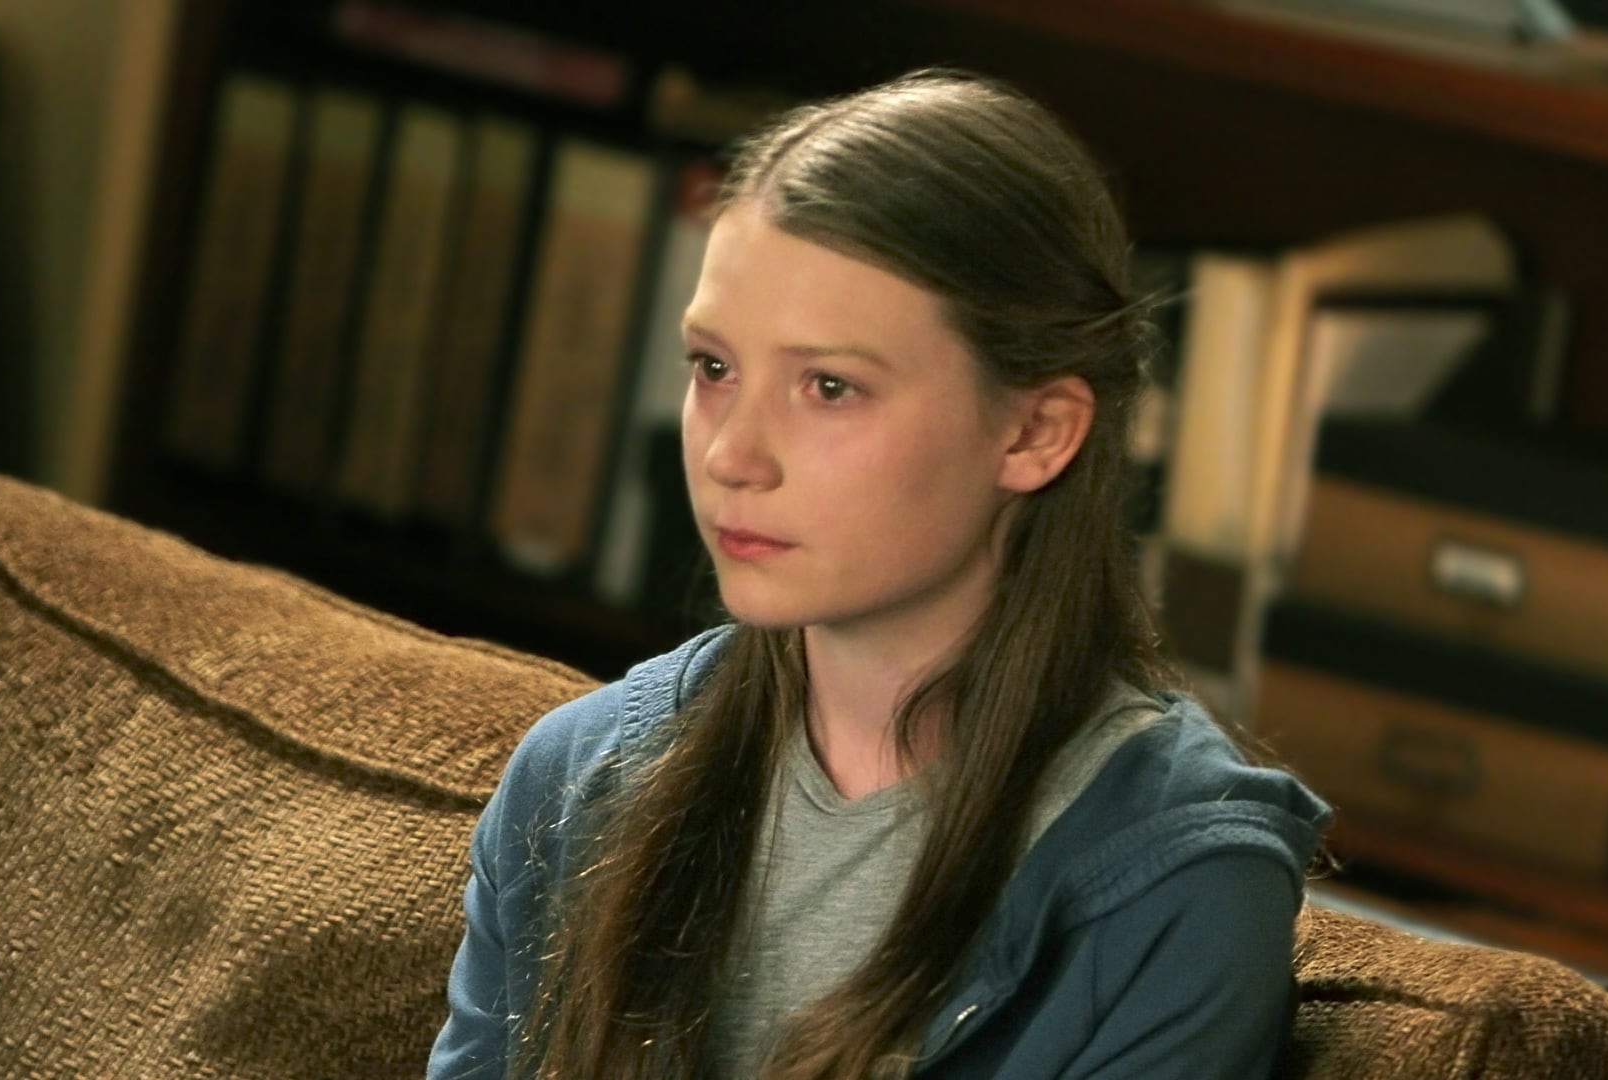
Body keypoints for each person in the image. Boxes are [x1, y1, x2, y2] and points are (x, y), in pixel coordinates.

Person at [428, 68, 1331, 1080]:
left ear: (1036, 432)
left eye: (829, 386)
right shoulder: (575, 781)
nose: (732, 455)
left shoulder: (1178, 893)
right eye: (714, 368)